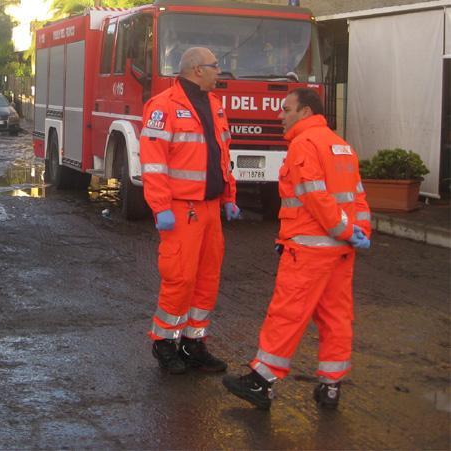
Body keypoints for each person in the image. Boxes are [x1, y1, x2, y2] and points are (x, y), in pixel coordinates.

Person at [222, 87, 372, 410]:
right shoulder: (341, 145)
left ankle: (261, 381)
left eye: (286, 109)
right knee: (336, 317)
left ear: (305, 112)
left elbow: (315, 197)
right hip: (341, 251)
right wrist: (359, 232)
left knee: (288, 313)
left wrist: (345, 230)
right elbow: (357, 197)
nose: (280, 115)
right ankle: (331, 387)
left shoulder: (304, 145)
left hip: (309, 250)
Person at [140, 46, 240, 375]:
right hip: (182, 209)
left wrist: (230, 198)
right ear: (197, 69)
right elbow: (154, 163)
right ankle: (164, 342)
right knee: (180, 277)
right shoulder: (163, 107)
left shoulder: (214, 106)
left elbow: (221, 157)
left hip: (209, 208)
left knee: (207, 278)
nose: (219, 71)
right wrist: (161, 207)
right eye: (215, 66)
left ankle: (193, 342)